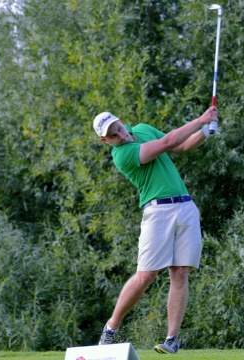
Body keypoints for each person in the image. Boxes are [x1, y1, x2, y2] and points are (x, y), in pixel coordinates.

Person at [92, 106, 218, 354]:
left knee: (180, 273)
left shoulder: (142, 129)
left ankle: (172, 339)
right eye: (112, 135)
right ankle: (112, 328)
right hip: (158, 212)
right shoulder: (123, 155)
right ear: (105, 141)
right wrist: (201, 119)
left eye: (117, 127)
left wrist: (205, 131)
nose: (119, 134)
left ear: (120, 121)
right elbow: (168, 141)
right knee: (146, 275)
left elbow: (180, 146)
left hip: (185, 206)